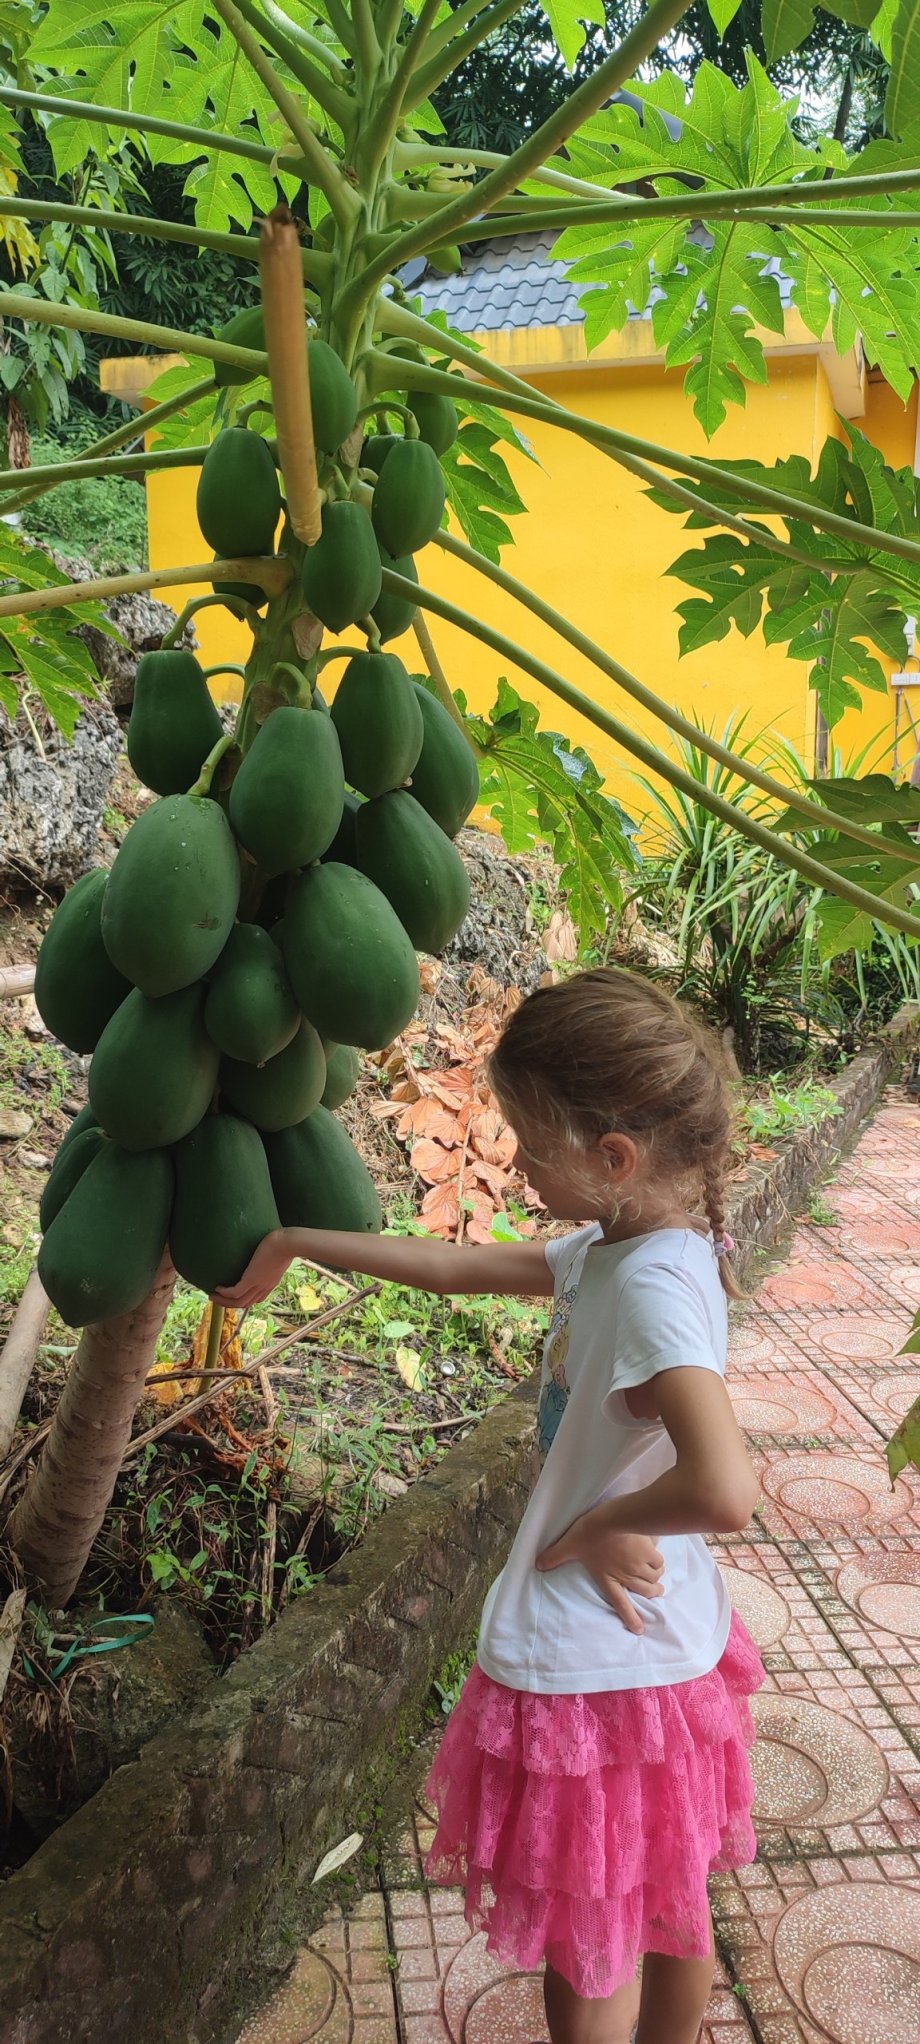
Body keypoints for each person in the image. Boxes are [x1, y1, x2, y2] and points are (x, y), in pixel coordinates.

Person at [216, 967, 764, 2044]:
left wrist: (600, 1527)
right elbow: (457, 1269)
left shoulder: (648, 1288)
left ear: (614, 1156)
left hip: (594, 1665)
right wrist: (295, 1242)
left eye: (527, 1138)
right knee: (667, 1904)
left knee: (589, 1938)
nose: (510, 1158)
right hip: (662, 1648)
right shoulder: (637, 1244)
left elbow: (723, 1486)